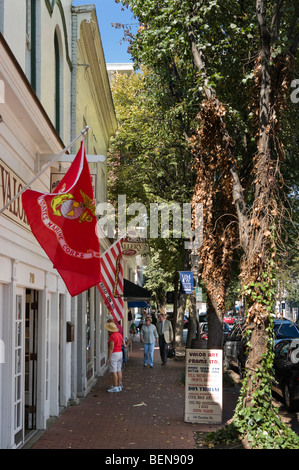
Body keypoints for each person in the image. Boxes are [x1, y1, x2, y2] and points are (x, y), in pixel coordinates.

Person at [105, 322, 123, 393]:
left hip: (114, 354)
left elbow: (111, 348)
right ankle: (119, 385)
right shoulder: (119, 335)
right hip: (120, 353)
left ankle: (115, 386)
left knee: (114, 371)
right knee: (119, 370)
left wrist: (108, 358)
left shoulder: (112, 336)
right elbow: (122, 343)